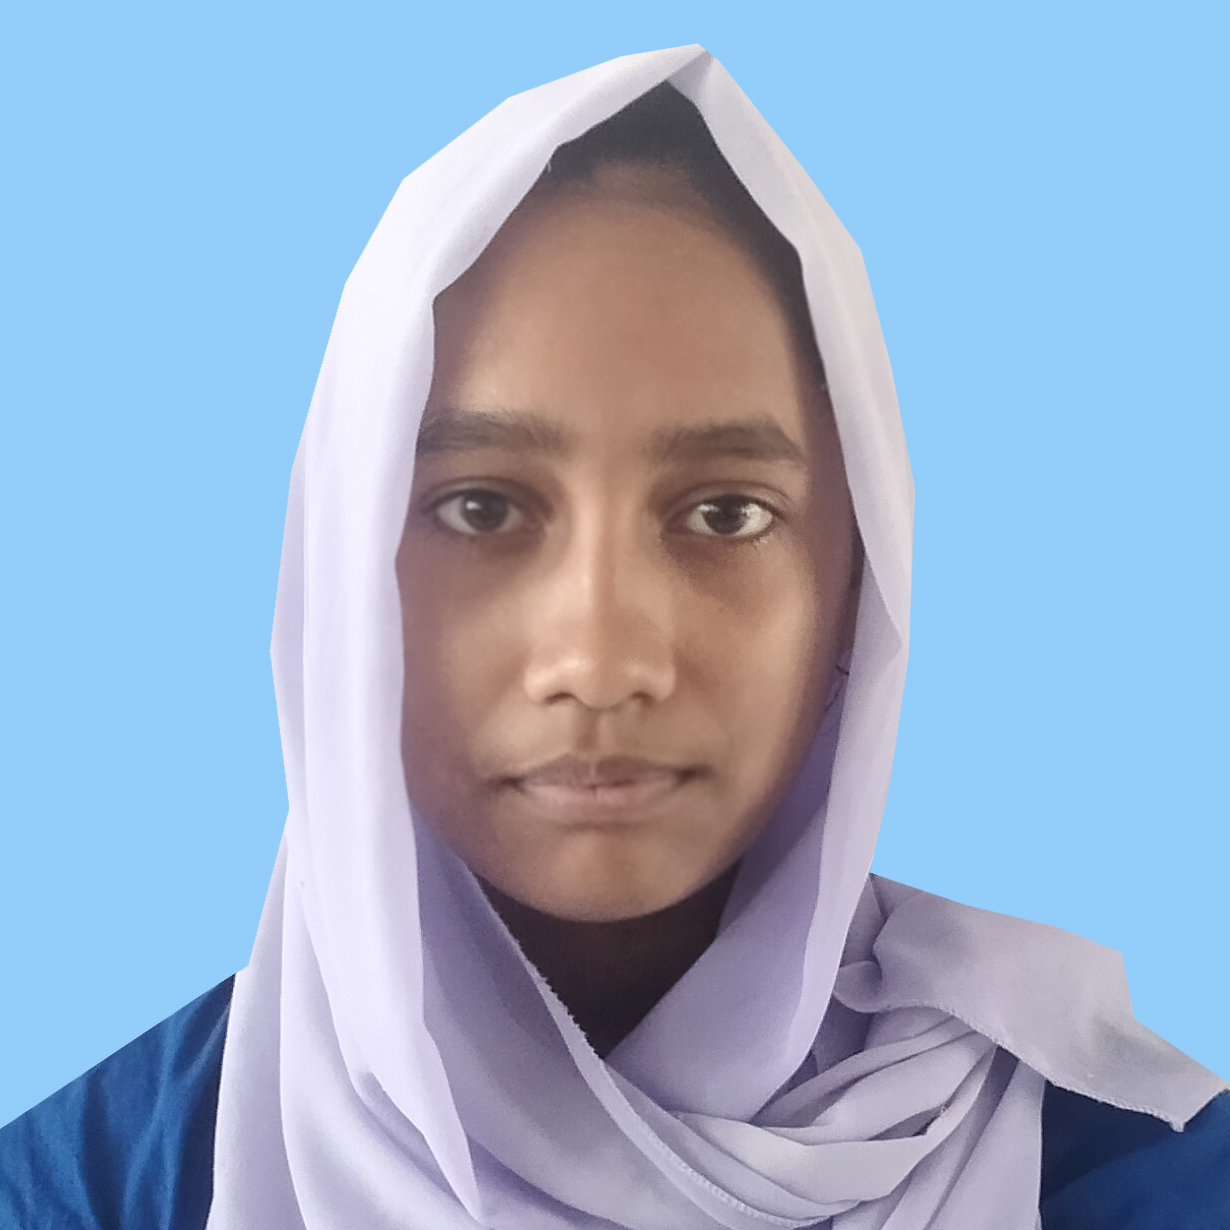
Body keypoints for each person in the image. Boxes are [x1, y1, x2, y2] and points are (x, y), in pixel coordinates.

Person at [1, 45, 1226, 1230]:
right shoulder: (90, 1192)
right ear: (339, 585)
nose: (601, 662)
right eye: (480, 509)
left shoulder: (1136, 1176)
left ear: (860, 582)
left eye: (726, 513)